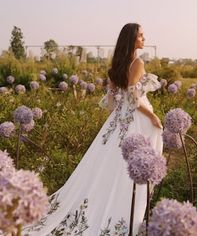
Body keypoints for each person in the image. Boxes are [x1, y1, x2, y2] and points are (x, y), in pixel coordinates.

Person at [23, 23, 163, 236]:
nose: (144, 38)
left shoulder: (117, 64)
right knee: (131, 167)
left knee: (108, 166)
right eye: (141, 36)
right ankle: (124, 215)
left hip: (119, 120)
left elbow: (111, 100)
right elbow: (134, 96)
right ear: (132, 39)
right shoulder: (138, 63)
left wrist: (115, 122)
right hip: (136, 119)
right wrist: (152, 116)